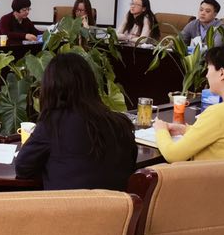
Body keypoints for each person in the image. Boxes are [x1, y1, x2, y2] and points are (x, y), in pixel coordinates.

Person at [15, 53, 137, 190]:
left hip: (69, 203)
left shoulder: (53, 124)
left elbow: (22, 167)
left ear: (51, 88)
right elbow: (131, 164)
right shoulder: (121, 123)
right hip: (118, 203)